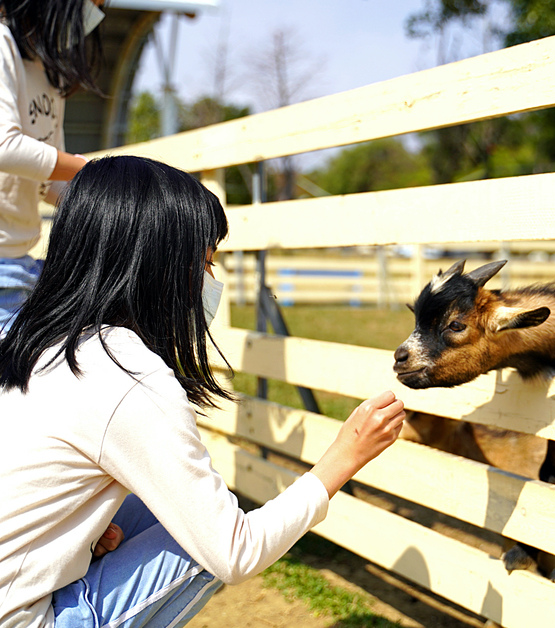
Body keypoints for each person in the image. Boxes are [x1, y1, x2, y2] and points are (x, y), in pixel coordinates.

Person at [0, 156, 408, 628]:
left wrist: (81, 534)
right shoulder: (124, 373)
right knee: (202, 541)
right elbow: (233, 552)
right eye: (207, 261)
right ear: (158, 264)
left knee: (164, 506)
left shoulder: (37, 341)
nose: (212, 281)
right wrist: (345, 456)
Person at [0, 0, 99, 330]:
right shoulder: (2, 47)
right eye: (91, 3)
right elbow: (4, 146)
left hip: (20, 265)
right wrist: (89, 169)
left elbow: (49, 179)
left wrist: (109, 194)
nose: (94, 15)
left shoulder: (50, 76)